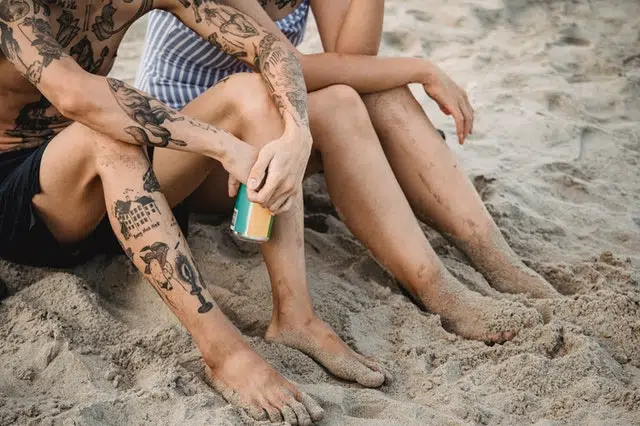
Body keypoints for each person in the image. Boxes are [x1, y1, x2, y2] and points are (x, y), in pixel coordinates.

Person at [135, 0, 560, 362]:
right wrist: (421, 68)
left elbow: (352, 55)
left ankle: (491, 254)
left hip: (264, 136)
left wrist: (410, 72)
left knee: (379, 92)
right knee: (344, 100)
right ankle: (438, 290)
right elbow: (288, 66)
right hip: (188, 155)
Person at [0, 1, 330, 423]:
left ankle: (295, 314)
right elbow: (75, 95)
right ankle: (224, 354)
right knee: (105, 135)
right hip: (23, 199)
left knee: (249, 91)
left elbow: (266, 45)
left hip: (111, 182)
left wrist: (298, 133)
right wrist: (222, 145)